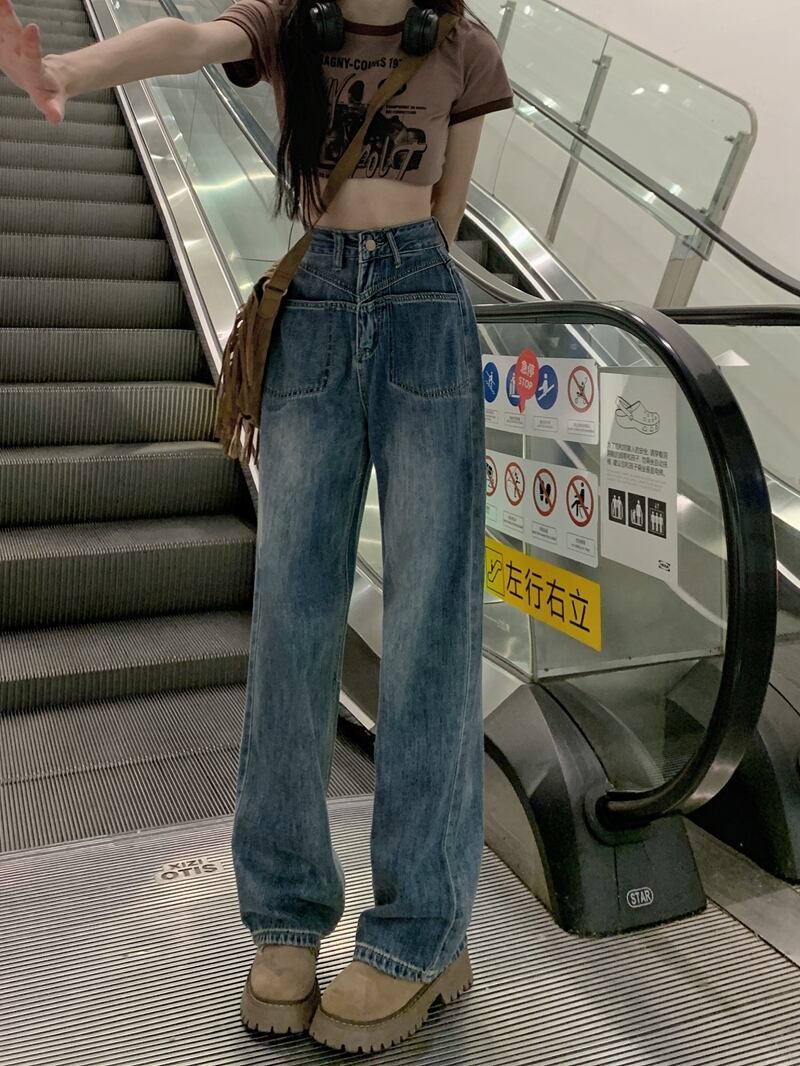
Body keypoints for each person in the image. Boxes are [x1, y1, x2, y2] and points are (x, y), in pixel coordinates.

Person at [0, 0, 513, 1052]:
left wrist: (404, 287)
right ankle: (284, 919)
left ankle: (424, 931)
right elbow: (190, 38)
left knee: (432, 623)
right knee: (289, 620)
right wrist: (68, 72)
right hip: (312, 308)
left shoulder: (463, 44)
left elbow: (448, 215)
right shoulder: (292, 23)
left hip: (423, 309)